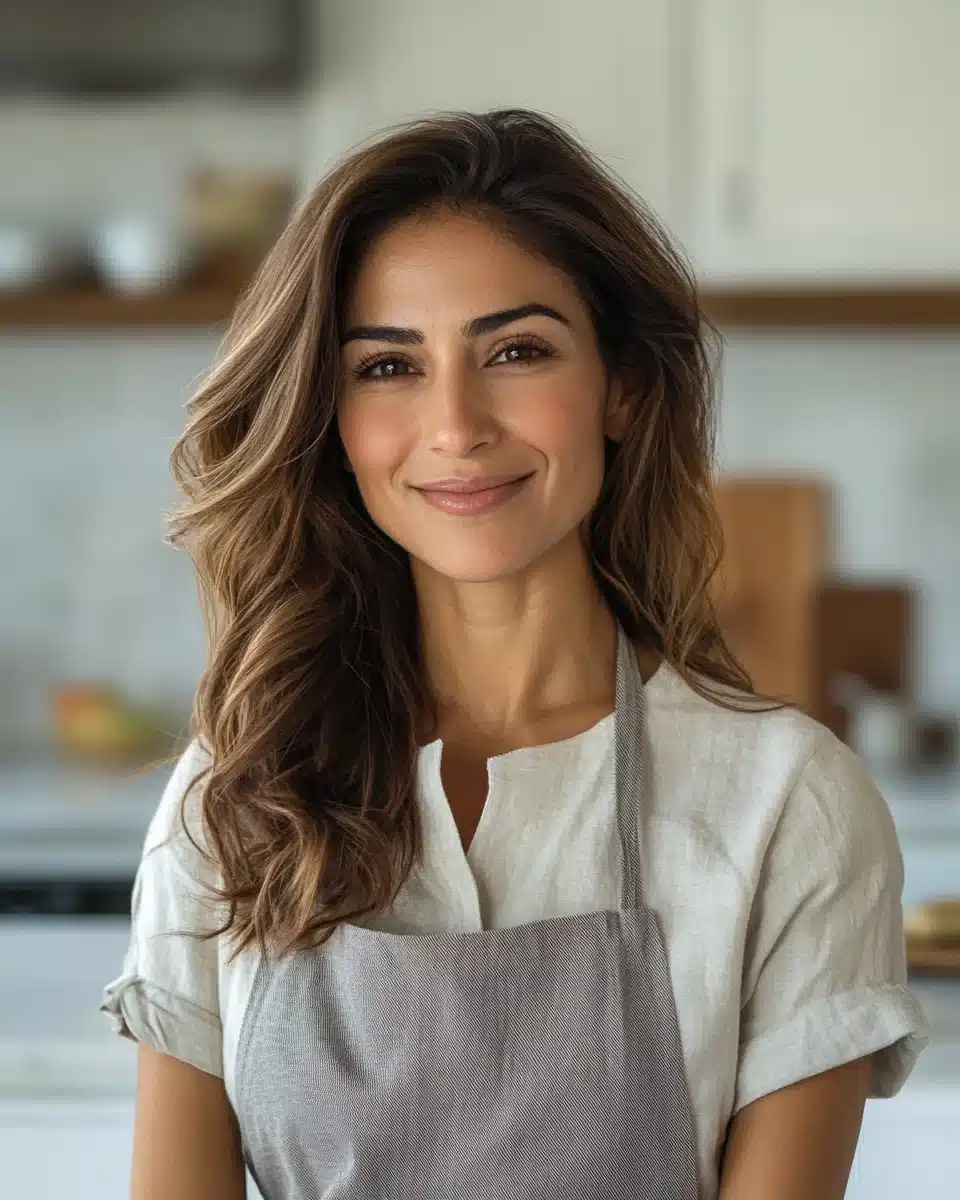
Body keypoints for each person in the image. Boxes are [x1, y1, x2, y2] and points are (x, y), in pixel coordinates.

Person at [102, 108, 928, 1200]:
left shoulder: (786, 806)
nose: (456, 424)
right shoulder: (238, 795)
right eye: (388, 367)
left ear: (623, 387)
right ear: (333, 422)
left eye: (517, 351)